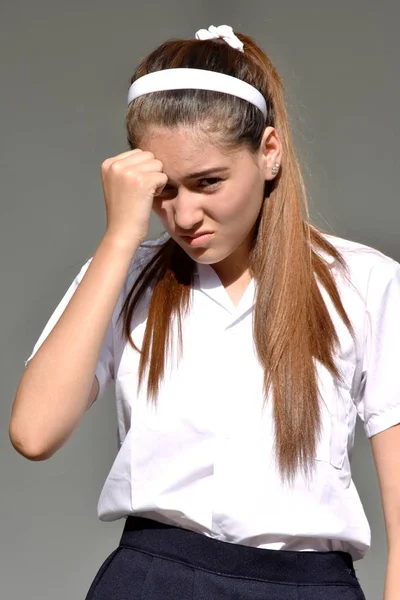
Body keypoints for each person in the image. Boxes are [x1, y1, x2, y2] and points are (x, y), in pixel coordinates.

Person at [9, 23, 400, 600]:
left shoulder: (365, 283)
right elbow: (33, 432)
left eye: (208, 182)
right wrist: (120, 236)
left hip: (308, 587)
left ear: (268, 152)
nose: (184, 214)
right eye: (163, 189)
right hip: (151, 581)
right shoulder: (126, 276)